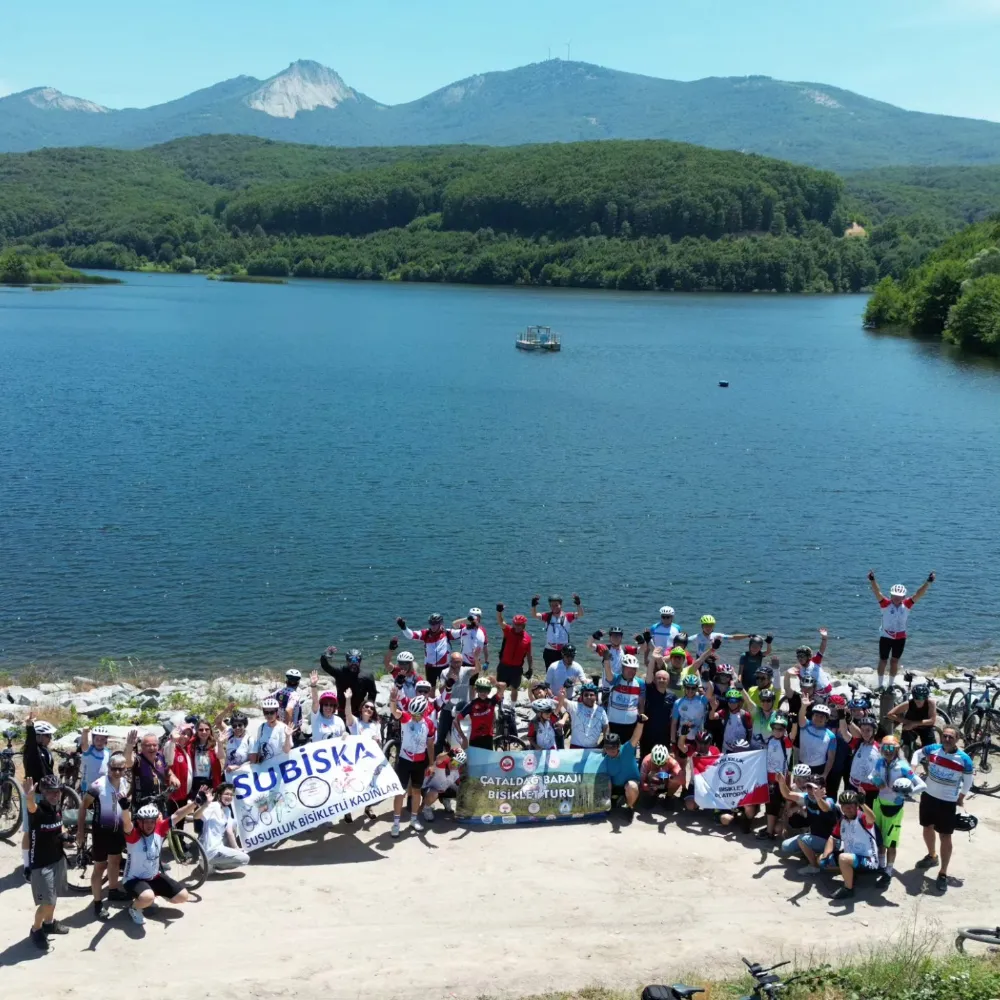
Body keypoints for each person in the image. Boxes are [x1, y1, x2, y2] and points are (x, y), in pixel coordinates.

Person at [911, 727, 973, 892]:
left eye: (950, 737)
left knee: (945, 836)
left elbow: (968, 781)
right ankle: (932, 856)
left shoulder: (965, 759)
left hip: (947, 802)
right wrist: (913, 768)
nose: (946, 739)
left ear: (957, 739)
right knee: (927, 828)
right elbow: (917, 754)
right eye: (944, 736)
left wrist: (961, 797)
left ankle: (943, 872)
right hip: (928, 797)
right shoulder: (933, 749)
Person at [121, 799, 197, 925]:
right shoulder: (133, 836)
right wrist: (124, 809)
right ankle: (134, 908)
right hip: (133, 880)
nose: (149, 825)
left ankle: (151, 897)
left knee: (182, 896)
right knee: (147, 897)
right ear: (139, 822)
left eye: (152, 821)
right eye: (146, 822)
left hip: (153, 876)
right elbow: (127, 823)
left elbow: (178, 815)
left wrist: (196, 802)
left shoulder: (160, 829)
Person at [77, 751, 132, 920]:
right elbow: (83, 806)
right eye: (113, 768)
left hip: (118, 830)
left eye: (120, 769)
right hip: (101, 831)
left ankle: (113, 890)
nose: (116, 772)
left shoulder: (124, 783)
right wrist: (80, 831)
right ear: (108, 768)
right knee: (100, 867)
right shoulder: (98, 785)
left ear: (124, 770)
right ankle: (97, 902)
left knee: (115, 860)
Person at [868, 570, 935, 689]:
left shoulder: (907, 605)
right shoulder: (885, 604)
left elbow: (919, 594)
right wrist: (872, 580)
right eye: (894, 596)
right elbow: (877, 592)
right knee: (883, 660)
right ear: (891, 596)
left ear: (903, 597)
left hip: (900, 638)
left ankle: (890, 684)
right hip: (886, 636)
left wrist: (928, 582)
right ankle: (880, 685)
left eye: (899, 596)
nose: (897, 598)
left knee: (894, 661)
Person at [872, 735, 926, 881]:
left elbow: (922, 785)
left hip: (894, 808)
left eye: (891, 748)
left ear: (897, 749)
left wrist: (905, 795)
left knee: (891, 841)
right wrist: (876, 780)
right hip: (879, 804)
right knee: (879, 838)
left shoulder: (903, 766)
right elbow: (872, 775)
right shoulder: (879, 762)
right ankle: (881, 865)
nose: (888, 751)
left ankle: (888, 870)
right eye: (885, 748)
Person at [24, 775, 69, 950]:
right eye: (50, 792)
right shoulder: (39, 810)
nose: (54, 795)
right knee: (47, 902)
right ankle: (36, 929)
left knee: (54, 896)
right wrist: (29, 797)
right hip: (41, 864)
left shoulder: (56, 809)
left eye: (57, 792)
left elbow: (58, 826)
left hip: (57, 859)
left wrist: (64, 836)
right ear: (42, 793)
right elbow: (32, 807)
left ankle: (49, 923)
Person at [812, 790, 880, 901]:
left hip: (869, 861)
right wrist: (825, 855)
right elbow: (833, 838)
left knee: (843, 858)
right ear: (841, 807)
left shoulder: (862, 818)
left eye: (852, 806)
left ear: (857, 806)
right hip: (852, 858)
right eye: (845, 806)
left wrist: (863, 804)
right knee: (820, 859)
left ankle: (848, 889)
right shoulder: (843, 820)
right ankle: (850, 873)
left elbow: (872, 818)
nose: (848, 809)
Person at [387, 691, 436, 837]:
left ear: (424, 711)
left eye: (417, 714)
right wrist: (392, 700)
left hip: (420, 762)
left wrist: (432, 763)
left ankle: (414, 819)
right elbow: (395, 712)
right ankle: (396, 823)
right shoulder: (406, 718)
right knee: (400, 792)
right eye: (413, 713)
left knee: (416, 791)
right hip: (404, 760)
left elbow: (430, 744)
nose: (414, 717)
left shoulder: (429, 723)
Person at [775, 766, 838, 870]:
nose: (810, 790)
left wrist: (818, 799)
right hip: (814, 836)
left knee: (802, 840)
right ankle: (813, 853)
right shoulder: (806, 797)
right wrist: (781, 783)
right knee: (785, 846)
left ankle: (814, 866)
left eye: (814, 788)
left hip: (829, 841)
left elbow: (825, 808)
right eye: (808, 787)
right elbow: (788, 794)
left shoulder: (829, 800)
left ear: (823, 789)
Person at [20, 714, 56, 881]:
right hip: (33, 793)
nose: (50, 738)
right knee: (29, 831)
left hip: (46, 793)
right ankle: (27, 866)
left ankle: (43, 860)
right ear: (40, 736)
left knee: (44, 829)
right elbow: (30, 744)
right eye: (48, 735)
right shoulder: (32, 750)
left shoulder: (46, 751)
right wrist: (29, 728)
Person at [194, 784, 250, 872]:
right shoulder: (213, 805)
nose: (229, 796)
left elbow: (230, 832)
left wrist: (237, 849)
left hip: (219, 847)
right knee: (244, 859)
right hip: (210, 850)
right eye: (227, 794)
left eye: (231, 795)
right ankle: (209, 863)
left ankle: (211, 864)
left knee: (233, 823)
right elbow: (196, 816)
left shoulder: (227, 810)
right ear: (219, 795)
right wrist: (206, 804)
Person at [601, 719, 645, 821]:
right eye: (608, 748)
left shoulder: (627, 749)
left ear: (619, 746)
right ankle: (610, 802)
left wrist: (640, 722)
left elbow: (636, 736)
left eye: (614, 748)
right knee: (604, 779)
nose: (611, 751)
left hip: (630, 784)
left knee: (631, 786)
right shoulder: (604, 757)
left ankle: (630, 807)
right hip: (615, 787)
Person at [125, 728, 179, 809]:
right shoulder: (138, 760)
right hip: (142, 805)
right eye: (148, 745)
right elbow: (128, 762)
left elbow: (167, 770)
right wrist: (129, 746)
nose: (152, 748)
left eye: (154, 745)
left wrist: (173, 777)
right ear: (142, 747)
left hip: (160, 803)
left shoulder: (160, 757)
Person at [320, 647, 378, 720]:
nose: (354, 663)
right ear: (347, 661)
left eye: (356, 660)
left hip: (358, 712)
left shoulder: (367, 676)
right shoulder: (340, 672)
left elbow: (372, 693)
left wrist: (368, 708)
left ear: (360, 661)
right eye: (351, 660)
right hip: (342, 711)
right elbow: (326, 666)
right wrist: (325, 655)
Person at [759, 714, 793, 840]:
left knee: (774, 804)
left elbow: (793, 734)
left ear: (785, 730)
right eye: (775, 728)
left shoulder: (786, 741)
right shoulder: (770, 740)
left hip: (780, 778)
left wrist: (793, 723)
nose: (777, 731)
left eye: (780, 729)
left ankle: (769, 832)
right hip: (769, 776)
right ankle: (770, 828)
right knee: (770, 803)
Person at [398, 613, 452, 687]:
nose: (433, 625)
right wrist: (404, 627)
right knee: (431, 688)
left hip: (444, 666)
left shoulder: (447, 633)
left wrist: (471, 623)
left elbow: (462, 632)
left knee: (445, 687)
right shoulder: (426, 633)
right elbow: (411, 635)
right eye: (431, 623)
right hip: (430, 667)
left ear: (440, 623)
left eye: (435, 623)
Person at [530, 593, 584, 667]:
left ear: (561, 605)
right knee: (550, 673)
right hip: (549, 650)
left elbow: (580, 614)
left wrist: (578, 604)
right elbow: (534, 615)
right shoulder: (547, 616)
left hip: (564, 651)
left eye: (556, 605)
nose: (554, 607)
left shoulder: (567, 616)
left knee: (564, 673)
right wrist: (534, 605)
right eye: (552, 605)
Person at [495, 604, 534, 703]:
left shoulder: (527, 638)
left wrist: (530, 668)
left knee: (514, 688)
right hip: (504, 665)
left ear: (524, 625)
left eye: (519, 625)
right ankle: (500, 705)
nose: (517, 627)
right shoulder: (508, 631)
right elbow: (501, 622)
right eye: (515, 624)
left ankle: (512, 707)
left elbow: (529, 655)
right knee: (500, 687)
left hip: (516, 668)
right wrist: (499, 611)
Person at [886, 683, 939, 756]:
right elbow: (890, 714)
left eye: (921, 698)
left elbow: (932, 720)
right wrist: (907, 722)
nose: (919, 700)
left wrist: (914, 723)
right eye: (916, 697)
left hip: (925, 726)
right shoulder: (909, 703)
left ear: (926, 698)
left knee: (932, 750)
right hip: (910, 725)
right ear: (913, 697)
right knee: (904, 747)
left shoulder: (931, 703)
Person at [603, 652, 646, 742]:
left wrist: (640, 722)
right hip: (614, 723)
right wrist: (606, 660)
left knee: (628, 751)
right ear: (622, 668)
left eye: (634, 669)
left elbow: (641, 704)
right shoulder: (616, 679)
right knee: (612, 751)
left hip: (631, 724)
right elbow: (609, 675)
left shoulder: (640, 683)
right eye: (628, 668)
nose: (631, 671)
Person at [454, 676, 505, 751]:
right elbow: (456, 721)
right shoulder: (471, 705)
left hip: (488, 738)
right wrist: (464, 738)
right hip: (475, 740)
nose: (483, 693)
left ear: (489, 691)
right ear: (477, 690)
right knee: (475, 762)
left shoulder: (492, 702)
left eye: (485, 690)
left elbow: (503, 687)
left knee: (487, 762)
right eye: (480, 690)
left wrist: (495, 683)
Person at [640, 661, 676, 758]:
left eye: (664, 678)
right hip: (648, 734)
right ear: (654, 680)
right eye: (658, 678)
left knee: (662, 761)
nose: (661, 680)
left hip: (664, 736)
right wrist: (652, 659)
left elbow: (674, 718)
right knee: (645, 760)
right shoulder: (649, 690)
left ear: (668, 681)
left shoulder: (672, 696)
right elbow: (648, 676)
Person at [559, 681, 609, 749]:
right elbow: (562, 700)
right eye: (586, 695)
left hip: (593, 748)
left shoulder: (601, 710)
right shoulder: (575, 706)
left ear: (596, 696)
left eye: (591, 695)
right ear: (582, 696)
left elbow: (606, 727)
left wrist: (607, 744)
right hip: (575, 747)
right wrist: (562, 695)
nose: (588, 697)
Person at [845, 714, 881, 805]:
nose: (865, 733)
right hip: (853, 785)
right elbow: (845, 733)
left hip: (871, 789)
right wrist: (847, 720)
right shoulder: (858, 744)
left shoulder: (880, 748)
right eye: (863, 730)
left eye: (868, 730)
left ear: (874, 731)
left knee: (868, 816)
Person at [681, 729, 720, 811]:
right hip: (695, 785)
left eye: (705, 743)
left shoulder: (714, 750)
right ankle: (699, 803)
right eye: (699, 743)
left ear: (710, 742)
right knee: (690, 806)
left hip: (710, 786)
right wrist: (683, 735)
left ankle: (708, 803)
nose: (702, 746)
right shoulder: (692, 750)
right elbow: (681, 746)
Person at [796, 701, 836, 782]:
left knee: (814, 793)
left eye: (821, 717)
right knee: (799, 791)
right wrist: (804, 706)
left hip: (818, 768)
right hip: (802, 765)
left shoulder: (831, 736)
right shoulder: (805, 725)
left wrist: (825, 774)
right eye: (816, 715)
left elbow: (831, 758)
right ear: (812, 716)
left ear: (827, 719)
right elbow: (801, 717)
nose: (818, 718)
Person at [670, 674, 715, 746]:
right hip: (682, 738)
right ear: (684, 687)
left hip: (698, 739)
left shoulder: (702, 700)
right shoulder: (678, 702)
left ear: (697, 688)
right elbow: (674, 723)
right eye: (688, 687)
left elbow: (711, 689)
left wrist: (707, 679)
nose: (690, 690)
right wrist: (673, 741)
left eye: (693, 688)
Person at [786, 629, 832, 695]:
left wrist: (824, 638)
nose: (800, 658)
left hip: (826, 690)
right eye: (798, 656)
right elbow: (802, 683)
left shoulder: (815, 661)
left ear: (808, 657)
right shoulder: (799, 669)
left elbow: (822, 649)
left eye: (802, 656)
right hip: (815, 693)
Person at [421, 750, 464, 820]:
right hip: (429, 789)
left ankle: (445, 799)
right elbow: (439, 758)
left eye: (458, 764)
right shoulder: (442, 763)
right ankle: (427, 808)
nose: (454, 765)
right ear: (450, 759)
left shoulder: (457, 771)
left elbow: (460, 785)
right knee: (434, 793)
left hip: (442, 789)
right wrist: (449, 753)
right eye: (454, 762)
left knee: (461, 791)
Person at [249, 697, 293, 764]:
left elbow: (286, 751)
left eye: (271, 712)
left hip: (279, 766)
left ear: (276, 712)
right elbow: (259, 747)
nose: (269, 715)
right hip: (265, 767)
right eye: (266, 712)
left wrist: (287, 736)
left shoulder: (283, 728)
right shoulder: (262, 727)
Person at [307, 672, 347, 740]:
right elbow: (315, 702)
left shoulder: (339, 721)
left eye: (331, 705)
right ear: (322, 706)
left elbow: (343, 739)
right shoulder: (316, 717)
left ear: (334, 707)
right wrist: (313, 685)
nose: (328, 707)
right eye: (325, 704)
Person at [714, 688, 753, 753]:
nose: (732, 704)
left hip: (741, 749)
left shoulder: (745, 715)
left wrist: (748, 745)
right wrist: (713, 709)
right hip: (726, 748)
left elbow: (750, 732)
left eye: (734, 701)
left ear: (739, 702)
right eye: (730, 701)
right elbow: (713, 717)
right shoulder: (725, 712)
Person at [273, 668, 306, 744]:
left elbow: (266, 700)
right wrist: (288, 729)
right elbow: (288, 710)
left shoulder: (278, 692)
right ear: (298, 683)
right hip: (292, 731)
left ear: (286, 681)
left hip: (279, 726)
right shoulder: (294, 695)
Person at [219, 709, 252, 776]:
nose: (237, 728)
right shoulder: (230, 733)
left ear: (244, 725)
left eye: (240, 725)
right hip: (227, 775)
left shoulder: (250, 740)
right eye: (234, 726)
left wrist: (237, 767)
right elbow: (218, 722)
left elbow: (253, 762)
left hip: (243, 776)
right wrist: (226, 709)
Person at [79, 725, 111, 794]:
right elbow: (84, 743)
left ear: (106, 740)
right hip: (87, 787)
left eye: (102, 739)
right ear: (93, 739)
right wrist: (85, 731)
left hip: (101, 788)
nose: (99, 742)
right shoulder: (88, 750)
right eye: (97, 739)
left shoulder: (107, 752)